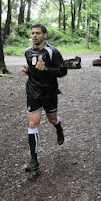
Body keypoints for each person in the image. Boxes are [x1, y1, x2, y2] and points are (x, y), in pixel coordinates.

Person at [21, 24, 67, 172]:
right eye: (33, 33)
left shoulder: (52, 51)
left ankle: (58, 127)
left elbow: (62, 71)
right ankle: (34, 160)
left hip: (49, 92)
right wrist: (27, 71)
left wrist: (46, 68)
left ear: (44, 35)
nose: (34, 35)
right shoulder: (27, 52)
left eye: (38, 33)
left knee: (52, 119)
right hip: (33, 91)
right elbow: (33, 71)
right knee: (33, 123)